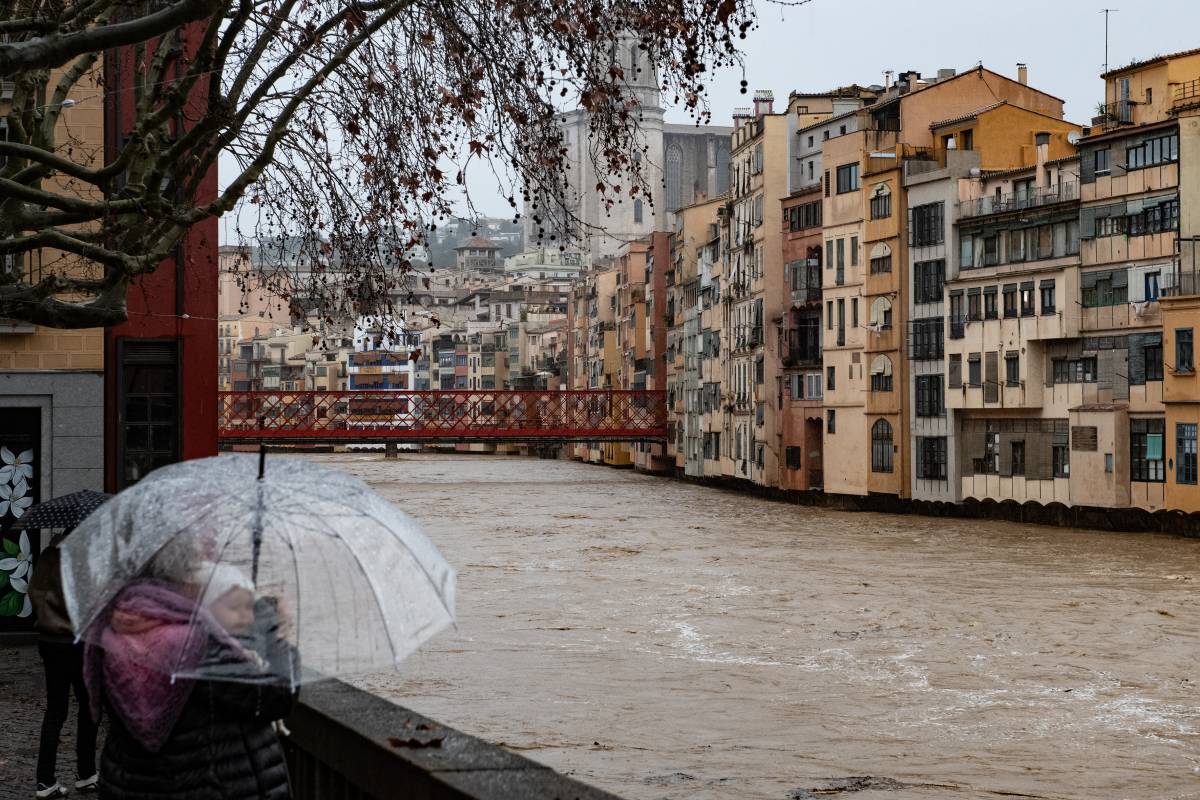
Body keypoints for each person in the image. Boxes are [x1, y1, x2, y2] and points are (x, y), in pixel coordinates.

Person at [84, 558, 299, 800]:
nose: (205, 571)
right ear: (179, 577)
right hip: (214, 784)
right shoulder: (196, 644)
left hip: (132, 783)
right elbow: (275, 697)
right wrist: (275, 634)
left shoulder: (119, 624)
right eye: (196, 565)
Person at [28, 530, 99, 799]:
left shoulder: (48, 556)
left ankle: (45, 780)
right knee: (89, 707)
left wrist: (48, 616)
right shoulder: (87, 558)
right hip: (79, 642)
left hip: (50, 642)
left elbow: (34, 592)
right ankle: (86, 773)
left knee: (55, 710)